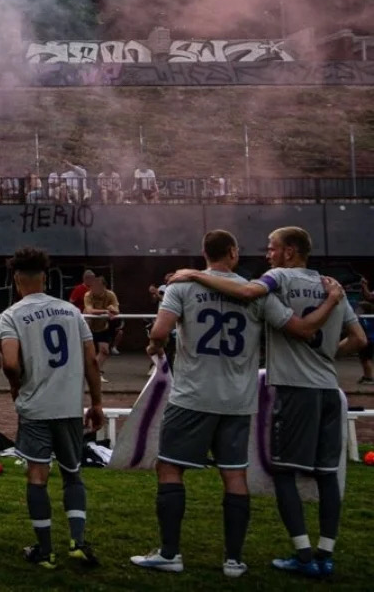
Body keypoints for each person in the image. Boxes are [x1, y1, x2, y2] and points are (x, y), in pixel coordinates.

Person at [133, 230, 344, 577]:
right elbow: (300, 329)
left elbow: (159, 333)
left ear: (205, 253)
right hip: (238, 399)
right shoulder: (259, 293)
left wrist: (154, 347)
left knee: (170, 468)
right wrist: (331, 301)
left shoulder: (181, 286)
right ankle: (233, 560)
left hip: (192, 396)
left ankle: (170, 553)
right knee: (234, 475)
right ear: (233, 252)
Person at [0, 246, 102, 570]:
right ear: (45, 277)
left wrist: (16, 387)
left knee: (37, 477)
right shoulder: (72, 312)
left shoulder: (12, 315)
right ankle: (78, 543)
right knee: (73, 474)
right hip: (69, 407)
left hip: (36, 408)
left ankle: (45, 551)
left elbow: (10, 363)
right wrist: (97, 402)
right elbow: (91, 361)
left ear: (17, 279)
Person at [83, 275, 119, 380]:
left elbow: (116, 311)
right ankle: (86, 373)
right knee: (87, 353)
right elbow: (89, 311)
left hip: (102, 326)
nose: (94, 289)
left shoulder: (110, 295)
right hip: (88, 327)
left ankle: (94, 373)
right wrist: (106, 311)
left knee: (104, 351)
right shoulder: (88, 295)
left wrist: (112, 309)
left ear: (104, 287)